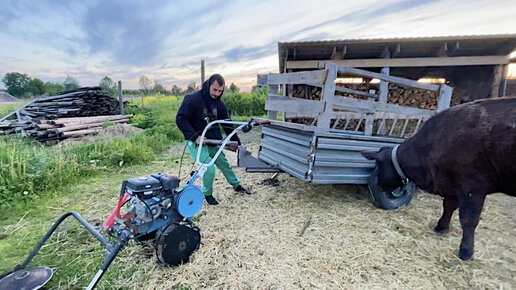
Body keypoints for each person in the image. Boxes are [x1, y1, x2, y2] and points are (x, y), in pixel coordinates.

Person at [176, 74, 251, 205]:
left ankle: (237, 185)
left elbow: (226, 124)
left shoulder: (220, 104)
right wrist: (195, 136)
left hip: (213, 141)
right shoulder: (192, 99)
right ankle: (207, 194)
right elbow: (180, 119)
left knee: (224, 163)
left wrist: (236, 142)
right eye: (214, 90)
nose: (217, 93)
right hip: (195, 141)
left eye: (220, 91)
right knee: (208, 168)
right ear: (208, 85)